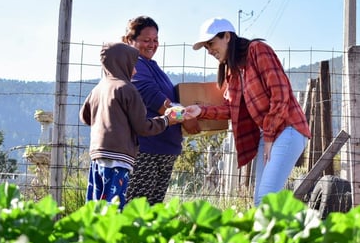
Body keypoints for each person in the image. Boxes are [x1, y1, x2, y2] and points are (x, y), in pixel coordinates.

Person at [184, 17, 311, 206]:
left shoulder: (258, 50)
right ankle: (277, 234)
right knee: (260, 200)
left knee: (265, 199)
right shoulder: (234, 71)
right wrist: (200, 111)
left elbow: (280, 94)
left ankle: (282, 234)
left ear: (227, 36)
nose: (209, 51)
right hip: (269, 133)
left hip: (288, 129)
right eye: (206, 47)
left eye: (211, 43)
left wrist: (268, 137)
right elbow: (230, 109)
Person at [79, 42, 182, 210]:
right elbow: (142, 126)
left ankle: (93, 234)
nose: (135, 71)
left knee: (96, 203)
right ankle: (117, 235)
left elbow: (84, 117)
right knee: (115, 204)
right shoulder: (127, 89)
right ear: (122, 64)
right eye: (132, 65)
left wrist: (105, 122)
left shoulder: (98, 88)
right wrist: (166, 120)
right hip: (119, 158)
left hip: (97, 156)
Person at [122, 15, 200, 205]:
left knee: (152, 212)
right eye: (146, 40)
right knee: (138, 210)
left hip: (164, 150)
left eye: (155, 40)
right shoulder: (135, 65)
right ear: (130, 40)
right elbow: (154, 98)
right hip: (147, 150)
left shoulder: (151, 66)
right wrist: (187, 118)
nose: (152, 44)